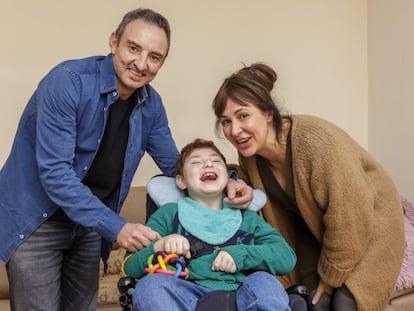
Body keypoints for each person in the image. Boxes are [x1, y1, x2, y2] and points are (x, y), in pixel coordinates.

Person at [0, 9, 252, 311]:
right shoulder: (67, 83)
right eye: (133, 48)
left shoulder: (151, 104)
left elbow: (178, 163)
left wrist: (230, 184)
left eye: (155, 57)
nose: (142, 64)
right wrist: (117, 227)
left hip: (89, 225)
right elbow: (56, 174)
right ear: (114, 42)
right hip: (38, 219)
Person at [211, 63, 406, 311]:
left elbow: (350, 217)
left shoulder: (316, 141)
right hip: (319, 233)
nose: (234, 130)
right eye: (226, 121)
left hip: (372, 226)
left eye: (243, 116)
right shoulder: (251, 155)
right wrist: (233, 180)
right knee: (306, 301)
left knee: (343, 303)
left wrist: (330, 278)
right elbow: (249, 180)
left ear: (268, 112)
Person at [122, 138, 297, 311]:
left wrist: (241, 254)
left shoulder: (247, 217)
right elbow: (129, 266)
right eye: (196, 162)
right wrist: (160, 245)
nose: (208, 165)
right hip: (190, 294)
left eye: (215, 161)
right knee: (150, 286)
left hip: (242, 292)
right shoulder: (168, 214)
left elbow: (286, 257)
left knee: (264, 282)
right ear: (181, 181)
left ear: (228, 178)